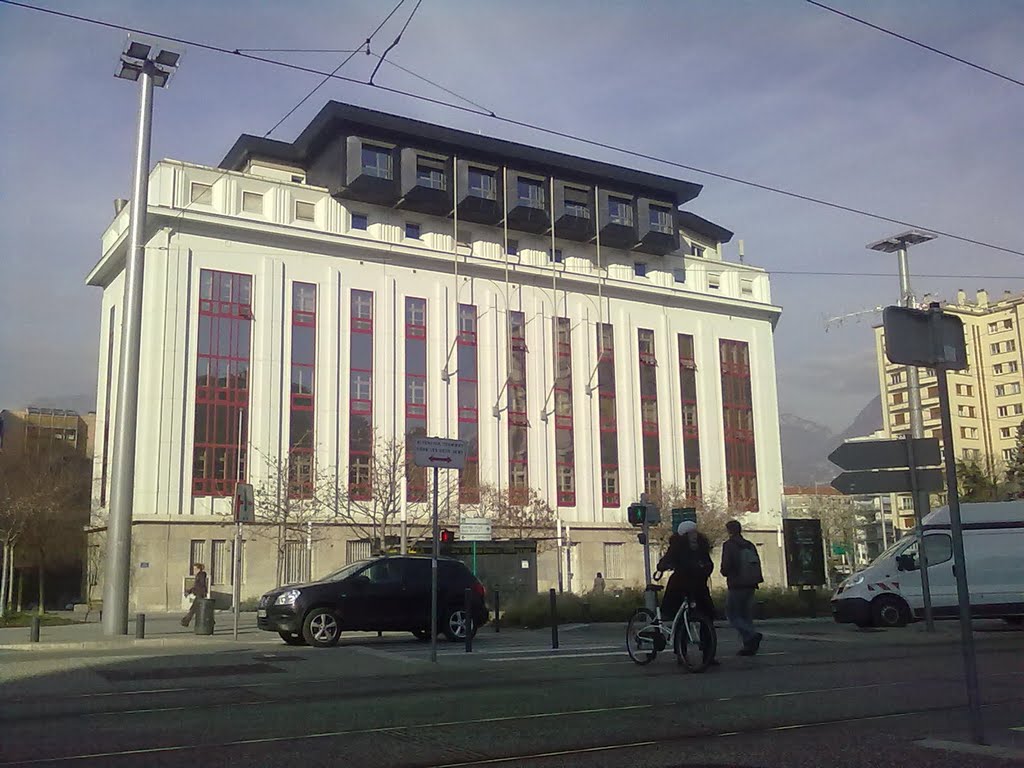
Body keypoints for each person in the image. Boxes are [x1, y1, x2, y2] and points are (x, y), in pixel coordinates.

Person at [657, 520, 718, 663]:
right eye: (691, 533)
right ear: (684, 535)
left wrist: (705, 570)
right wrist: (665, 566)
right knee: (681, 620)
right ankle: (681, 652)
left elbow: (709, 564)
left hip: (698, 586)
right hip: (681, 586)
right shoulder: (677, 547)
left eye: (695, 532)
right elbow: (664, 562)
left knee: (706, 618)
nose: (694, 535)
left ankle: (708, 654)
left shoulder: (701, 548)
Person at [720, 520, 764, 656]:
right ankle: (749, 646)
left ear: (729, 531)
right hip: (751, 584)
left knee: (732, 614)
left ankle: (751, 635)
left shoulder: (729, 545)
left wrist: (724, 572)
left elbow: (726, 566)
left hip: (736, 584)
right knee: (746, 615)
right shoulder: (749, 545)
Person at [181, 562, 208, 628]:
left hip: (200, 595)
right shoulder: (199, 576)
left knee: (193, 609)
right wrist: (190, 591)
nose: (194, 571)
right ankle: (186, 621)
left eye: (195, 569)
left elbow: (200, 586)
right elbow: (196, 586)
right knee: (198, 609)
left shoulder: (201, 575)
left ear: (199, 569)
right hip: (199, 594)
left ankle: (185, 621)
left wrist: (191, 591)